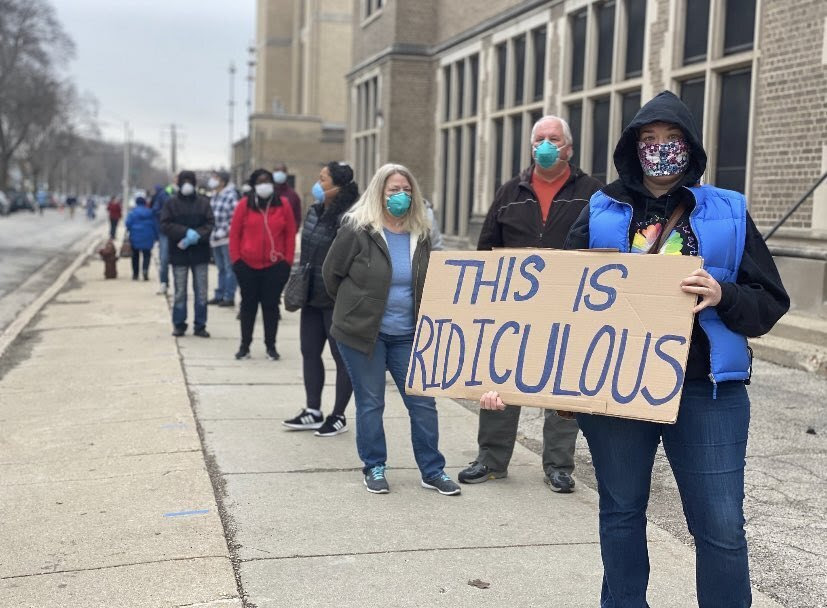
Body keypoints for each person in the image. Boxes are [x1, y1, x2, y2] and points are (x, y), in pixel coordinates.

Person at [483, 91, 790, 607]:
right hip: (619, 391)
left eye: (672, 139)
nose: (661, 149)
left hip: (705, 390)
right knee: (622, 513)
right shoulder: (601, 210)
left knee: (721, 526)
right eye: (650, 140)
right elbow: (557, 301)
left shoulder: (730, 212)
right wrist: (504, 376)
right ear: (633, 146)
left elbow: (770, 300)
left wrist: (723, 293)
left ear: (690, 146)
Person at [458, 115, 603, 493]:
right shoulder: (510, 192)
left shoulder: (593, 192)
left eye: (554, 138)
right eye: (540, 138)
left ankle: (558, 465)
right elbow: (486, 248)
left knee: (561, 388)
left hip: (567, 309)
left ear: (568, 147)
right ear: (531, 146)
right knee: (500, 383)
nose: (546, 144)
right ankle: (490, 459)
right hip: (512, 311)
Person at [322, 163, 461, 496]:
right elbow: (332, 275)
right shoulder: (357, 229)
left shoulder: (422, 232)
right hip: (363, 334)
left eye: (406, 189)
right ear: (378, 193)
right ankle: (374, 465)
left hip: (409, 334)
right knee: (371, 403)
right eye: (393, 190)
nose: (401, 195)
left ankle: (433, 470)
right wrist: (357, 307)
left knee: (423, 404)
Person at [282, 162, 359, 437]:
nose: (317, 183)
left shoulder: (351, 217)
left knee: (342, 359)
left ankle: (338, 415)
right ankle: (312, 410)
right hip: (311, 295)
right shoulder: (314, 212)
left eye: (322, 179)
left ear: (337, 185)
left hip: (337, 299)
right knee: (309, 351)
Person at [229, 169, 296, 360]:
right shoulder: (244, 205)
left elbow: (290, 234)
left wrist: (287, 261)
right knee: (248, 306)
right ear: (254, 185)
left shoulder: (283, 205)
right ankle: (245, 346)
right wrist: (237, 260)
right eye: (260, 181)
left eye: (267, 181)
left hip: (275, 266)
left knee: (270, 307)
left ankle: (271, 347)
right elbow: (234, 234)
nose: (264, 184)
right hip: (247, 265)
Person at [160, 171, 215, 338]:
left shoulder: (204, 203)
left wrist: (197, 235)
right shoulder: (171, 204)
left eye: (189, 181)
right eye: (184, 181)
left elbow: (210, 223)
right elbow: (165, 224)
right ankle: (179, 324)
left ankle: (200, 325)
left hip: (200, 253)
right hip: (179, 254)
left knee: (201, 292)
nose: (187, 184)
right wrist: (184, 232)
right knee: (180, 291)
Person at [207, 171, 239, 307]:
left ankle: (229, 296)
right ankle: (219, 294)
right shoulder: (214, 196)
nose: (212, 181)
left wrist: (226, 231)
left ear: (222, 181)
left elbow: (236, 217)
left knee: (229, 268)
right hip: (215, 238)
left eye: (216, 178)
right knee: (220, 268)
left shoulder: (231, 196)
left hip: (227, 238)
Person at [125, 196, 158, 281]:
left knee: (135, 256)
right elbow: (155, 225)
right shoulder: (150, 212)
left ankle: (135, 274)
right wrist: (156, 236)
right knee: (147, 255)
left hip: (135, 236)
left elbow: (128, 224)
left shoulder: (132, 213)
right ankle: (145, 270)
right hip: (148, 236)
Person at [151, 184, 172, 295]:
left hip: (177, 232)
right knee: (163, 259)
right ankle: (164, 282)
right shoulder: (163, 196)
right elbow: (155, 212)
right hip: (165, 231)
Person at [272, 162, 302, 232]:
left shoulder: (293, 195)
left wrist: (293, 232)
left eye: (282, 171)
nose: (279, 173)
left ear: (286, 173)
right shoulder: (267, 193)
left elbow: (297, 218)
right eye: (277, 171)